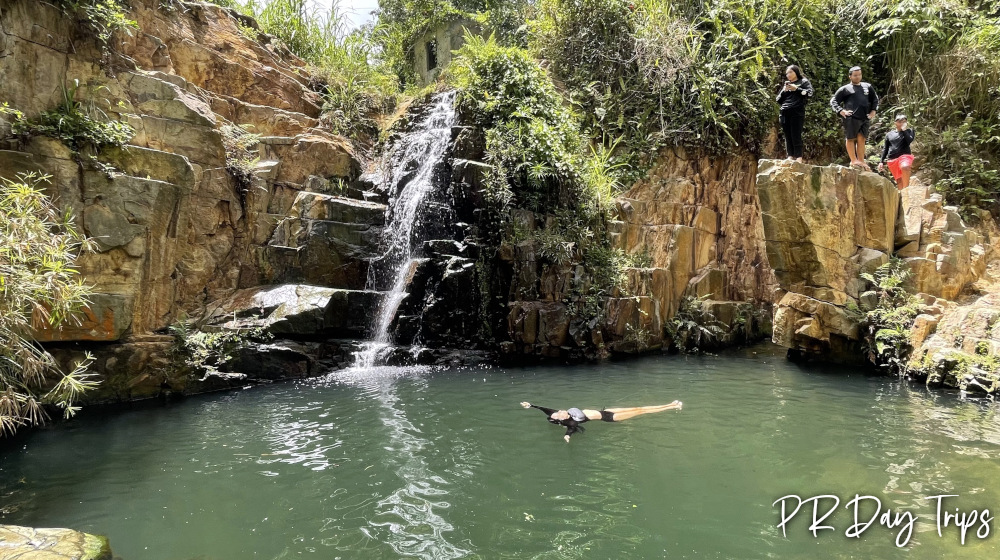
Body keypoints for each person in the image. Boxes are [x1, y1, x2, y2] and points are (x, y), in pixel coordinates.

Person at [520, 400, 682, 442]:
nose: (558, 412)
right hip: (610, 418)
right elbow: (571, 429)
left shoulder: (555, 414)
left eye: (558, 412)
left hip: (606, 411)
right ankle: (672, 407)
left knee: (638, 407)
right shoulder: (571, 422)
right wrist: (568, 436)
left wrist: (530, 405)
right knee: (640, 411)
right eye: (558, 414)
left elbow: (542, 408)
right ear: (560, 419)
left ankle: (670, 404)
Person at [830, 66, 879, 170]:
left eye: (859, 74)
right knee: (851, 138)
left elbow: (875, 99)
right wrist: (841, 111)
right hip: (851, 117)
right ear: (850, 77)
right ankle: (853, 160)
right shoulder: (845, 89)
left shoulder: (867, 86)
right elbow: (833, 101)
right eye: (855, 75)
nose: (858, 77)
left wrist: (873, 111)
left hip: (865, 117)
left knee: (862, 138)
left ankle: (861, 160)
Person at [775, 65, 814, 162]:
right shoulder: (787, 85)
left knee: (796, 134)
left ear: (796, 72)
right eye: (787, 73)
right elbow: (778, 100)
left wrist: (796, 89)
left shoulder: (803, 81)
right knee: (787, 135)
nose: (788, 75)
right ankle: (790, 156)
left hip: (797, 111)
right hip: (784, 111)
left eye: (790, 72)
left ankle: (799, 157)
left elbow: (809, 93)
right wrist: (784, 91)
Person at [878, 114, 915, 190]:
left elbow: (909, 140)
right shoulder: (889, 134)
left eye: (904, 121)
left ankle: (906, 189)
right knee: (899, 180)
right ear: (895, 122)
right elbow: (886, 148)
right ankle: (902, 197)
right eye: (900, 121)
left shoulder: (909, 131)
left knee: (905, 167)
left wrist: (904, 130)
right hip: (892, 159)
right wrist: (881, 161)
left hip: (905, 156)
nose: (902, 123)